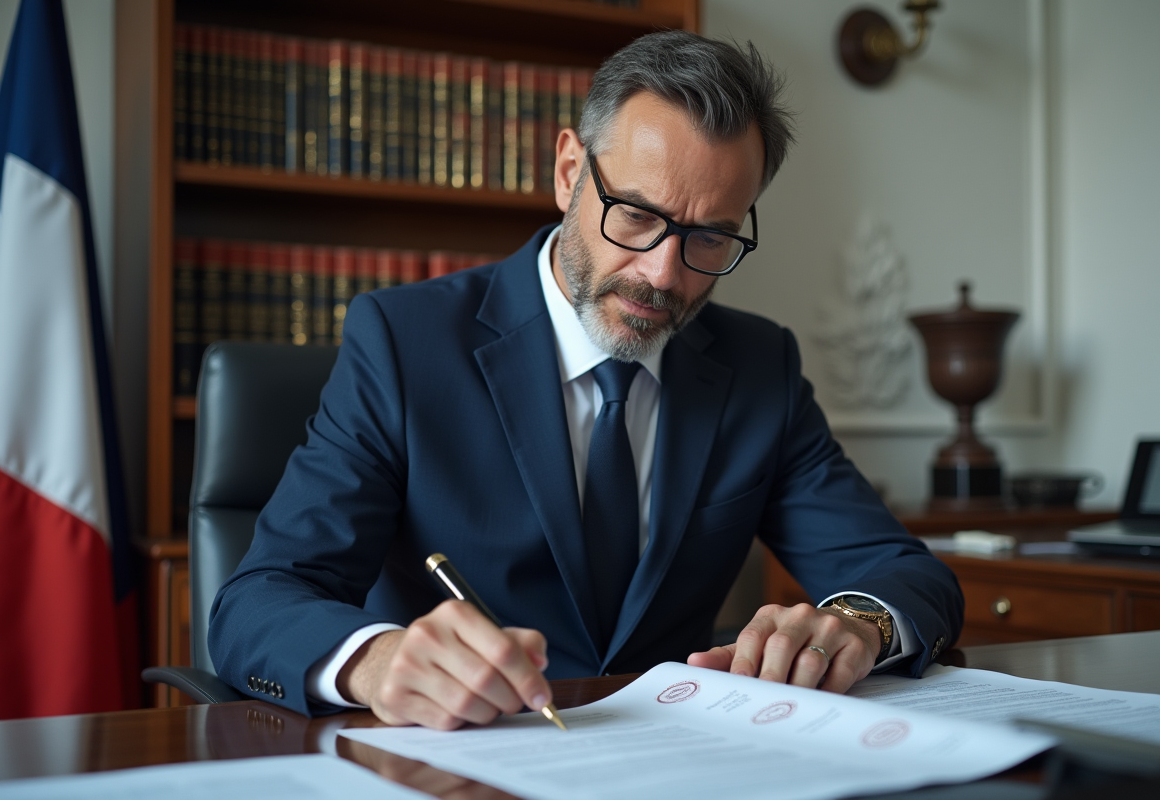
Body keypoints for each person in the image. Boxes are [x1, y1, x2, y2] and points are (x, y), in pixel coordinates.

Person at [208, 30, 963, 729]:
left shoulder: (758, 367)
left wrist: (859, 624)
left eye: (710, 237)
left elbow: (901, 573)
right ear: (570, 171)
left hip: (673, 761)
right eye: (635, 216)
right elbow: (256, 603)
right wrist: (375, 663)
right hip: (470, 760)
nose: (662, 275)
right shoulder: (403, 344)